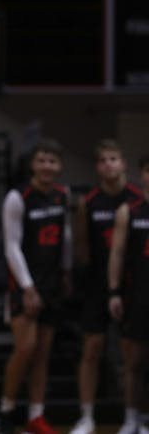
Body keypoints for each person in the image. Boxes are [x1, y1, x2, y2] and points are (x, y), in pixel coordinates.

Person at [0, 138, 72, 434]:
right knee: (25, 348)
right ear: (32, 164)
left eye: (52, 161)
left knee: (42, 352)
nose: (47, 166)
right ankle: (6, 410)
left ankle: (36, 416)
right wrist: (27, 287)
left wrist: (66, 272)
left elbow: (65, 238)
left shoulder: (62, 195)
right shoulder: (18, 197)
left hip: (52, 282)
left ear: (60, 166)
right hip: (24, 282)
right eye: (42, 160)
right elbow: (11, 247)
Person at [70, 140, 144, 434]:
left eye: (114, 159)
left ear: (124, 164)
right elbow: (82, 246)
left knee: (133, 356)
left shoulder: (138, 200)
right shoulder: (88, 202)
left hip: (133, 287)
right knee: (92, 349)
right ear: (97, 167)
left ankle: (132, 417)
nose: (109, 164)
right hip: (97, 286)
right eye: (103, 160)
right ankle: (87, 417)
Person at [108, 155, 149, 434]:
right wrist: (113, 291)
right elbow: (117, 254)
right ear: (143, 174)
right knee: (134, 361)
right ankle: (131, 417)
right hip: (138, 295)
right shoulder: (129, 211)